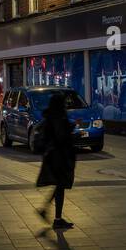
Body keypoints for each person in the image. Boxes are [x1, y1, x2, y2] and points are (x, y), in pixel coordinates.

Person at [36, 93, 76, 230]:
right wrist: (70, 130)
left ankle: (48, 212)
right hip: (59, 156)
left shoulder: (50, 116)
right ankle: (54, 217)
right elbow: (60, 136)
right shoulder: (59, 117)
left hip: (52, 155)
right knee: (61, 185)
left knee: (60, 186)